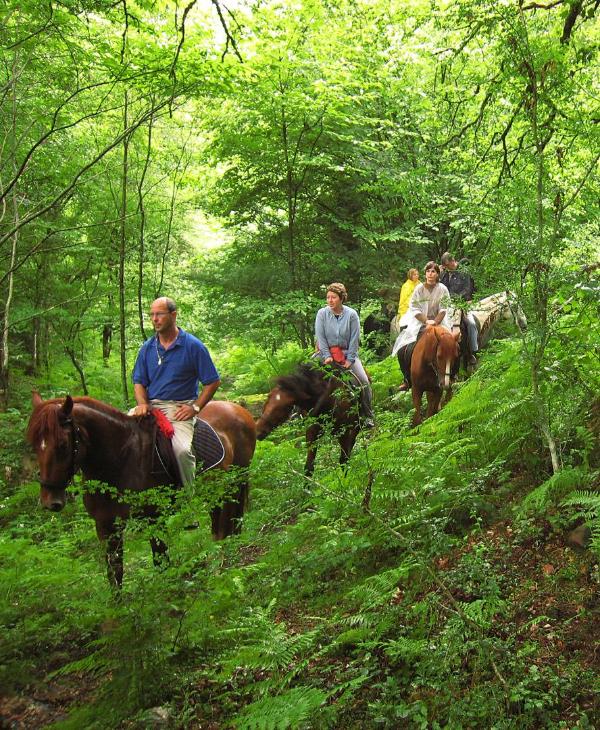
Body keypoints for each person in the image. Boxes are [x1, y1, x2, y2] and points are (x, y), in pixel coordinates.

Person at [131, 296, 221, 486]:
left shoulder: (193, 346)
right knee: (118, 438)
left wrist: (195, 408)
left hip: (179, 409)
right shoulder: (147, 349)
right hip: (151, 406)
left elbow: (212, 382)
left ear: (173, 315)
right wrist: (142, 404)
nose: (155, 319)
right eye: (152, 314)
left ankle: (188, 502)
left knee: (181, 451)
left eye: (159, 314)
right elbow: (139, 382)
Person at [314, 282, 375, 428]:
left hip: (347, 353)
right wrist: (327, 355)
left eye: (333, 297)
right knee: (305, 372)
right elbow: (320, 337)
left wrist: (350, 359)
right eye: (328, 297)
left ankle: (368, 415)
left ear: (341, 298)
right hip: (324, 353)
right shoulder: (322, 314)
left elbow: (355, 338)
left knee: (363, 381)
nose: (330, 300)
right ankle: (298, 411)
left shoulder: (351, 315)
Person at [392, 262, 452, 391]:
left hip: (440, 321)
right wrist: (426, 321)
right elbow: (414, 307)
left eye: (433, 272)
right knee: (403, 348)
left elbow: (444, 307)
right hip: (420, 322)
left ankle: (452, 375)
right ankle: (407, 379)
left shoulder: (443, 289)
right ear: (425, 274)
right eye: (428, 271)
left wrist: (435, 321)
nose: (430, 274)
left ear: (437, 274)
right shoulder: (419, 289)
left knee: (451, 345)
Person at [440, 252, 478, 365]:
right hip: (448, 306)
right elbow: (441, 288)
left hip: (463, 303)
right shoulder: (445, 275)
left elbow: (467, 289)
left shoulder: (463, 272)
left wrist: (453, 299)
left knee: (471, 323)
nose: (447, 268)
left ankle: (473, 351)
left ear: (453, 261)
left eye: (448, 265)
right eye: (445, 266)